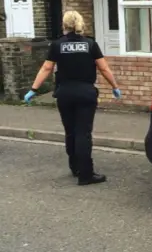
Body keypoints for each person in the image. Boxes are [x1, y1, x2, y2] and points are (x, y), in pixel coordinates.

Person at [23, 10, 121, 186]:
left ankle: (75, 167)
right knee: (83, 133)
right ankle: (86, 174)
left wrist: (33, 89)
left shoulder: (57, 45)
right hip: (85, 94)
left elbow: (46, 68)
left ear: (64, 24)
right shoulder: (90, 44)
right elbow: (104, 68)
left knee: (70, 132)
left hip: (65, 94)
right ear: (80, 24)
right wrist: (115, 87)